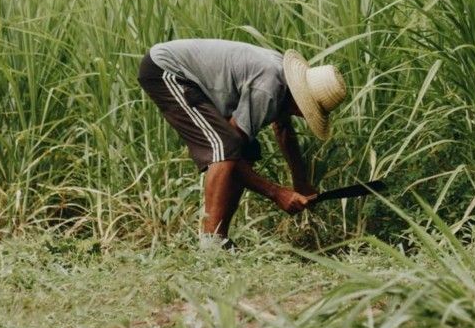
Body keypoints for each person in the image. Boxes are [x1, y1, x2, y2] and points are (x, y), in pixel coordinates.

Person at [137, 38, 347, 250]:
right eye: (309, 110)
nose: (304, 115)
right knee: (226, 147)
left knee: (245, 149)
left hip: (186, 72)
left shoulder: (284, 84)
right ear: (302, 101)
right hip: (166, 69)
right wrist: (277, 193)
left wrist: (300, 182)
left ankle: (220, 238)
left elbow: (283, 131)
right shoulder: (269, 87)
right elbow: (229, 152)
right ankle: (211, 243)